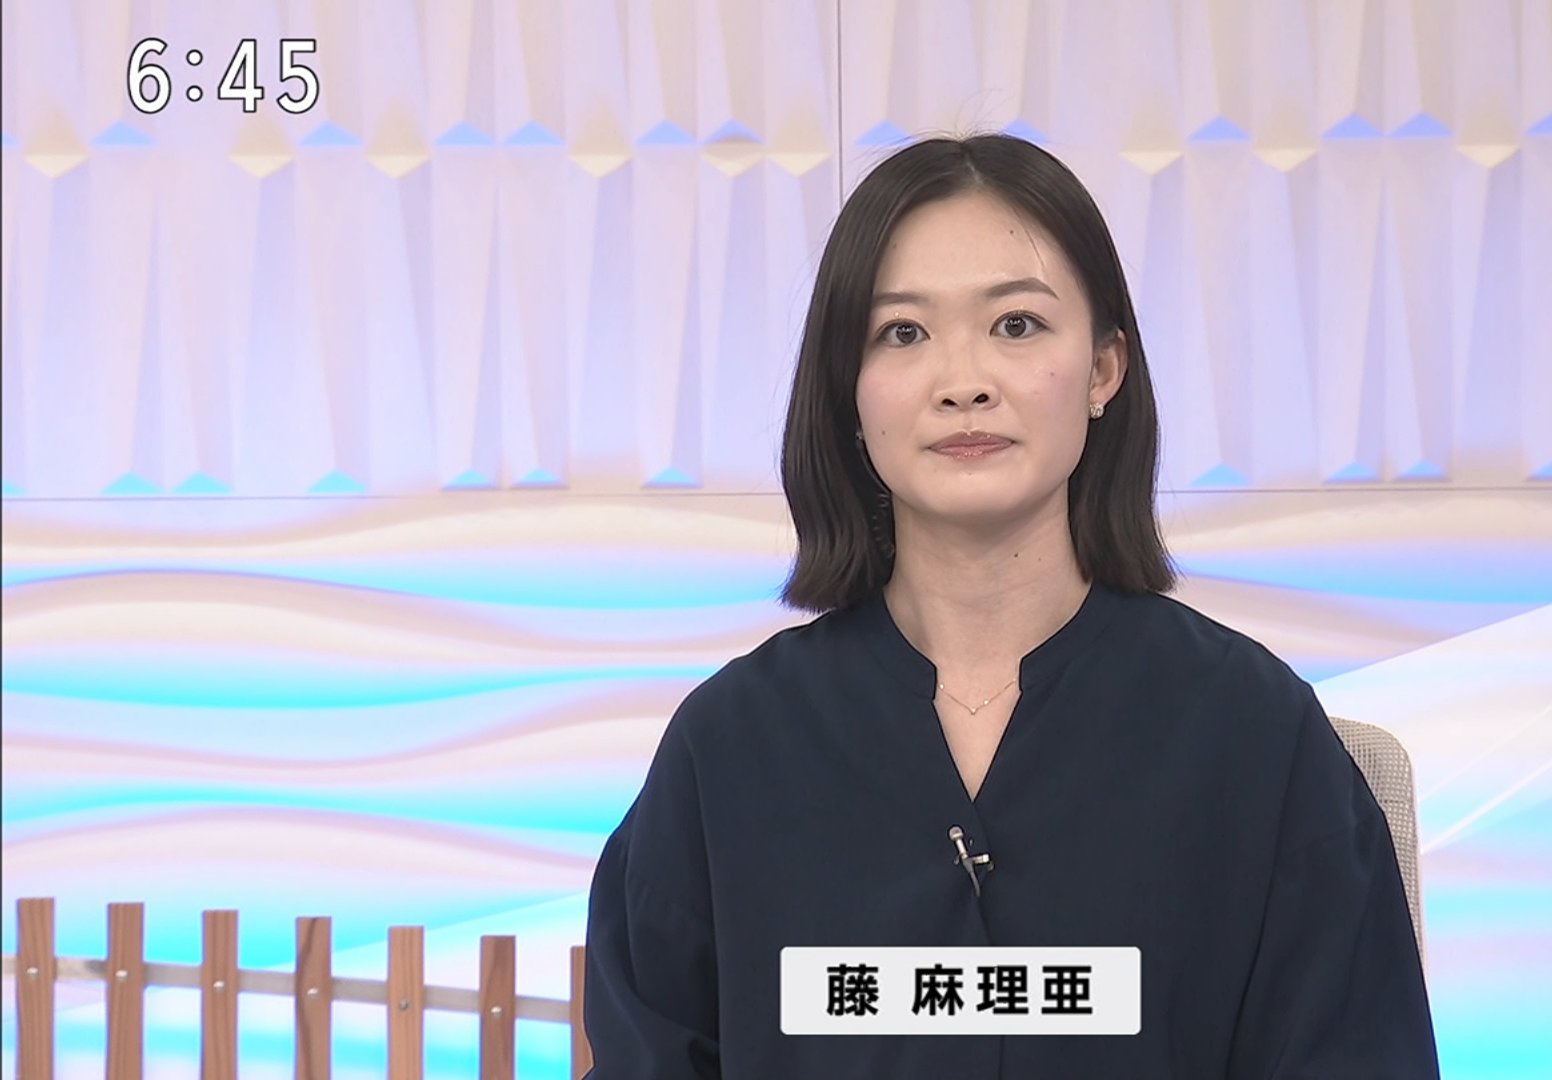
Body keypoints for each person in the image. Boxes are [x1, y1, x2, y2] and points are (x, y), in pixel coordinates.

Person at [583, 132, 1439, 1079]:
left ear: (1105, 369)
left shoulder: (1254, 733)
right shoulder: (729, 750)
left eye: (1018, 325)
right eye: (903, 333)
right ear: (848, 391)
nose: (965, 383)